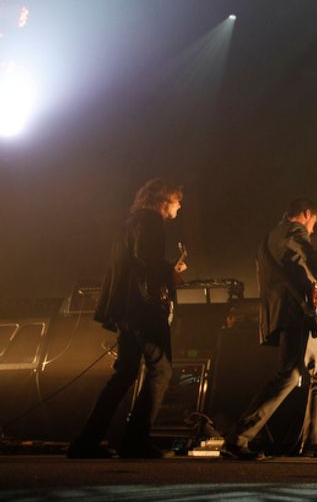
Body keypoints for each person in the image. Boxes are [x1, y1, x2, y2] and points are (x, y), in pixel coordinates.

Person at [69, 178, 187, 459]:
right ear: (164, 200)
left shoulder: (132, 222)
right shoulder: (151, 221)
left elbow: (135, 261)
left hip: (125, 309)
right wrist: (169, 273)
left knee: (125, 373)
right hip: (142, 309)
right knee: (161, 370)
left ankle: (87, 441)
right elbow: (146, 260)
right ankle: (135, 440)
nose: (180, 206)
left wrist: (166, 269)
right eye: (177, 201)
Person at [222, 198, 317, 460]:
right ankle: (237, 438)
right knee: (289, 375)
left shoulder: (271, 236)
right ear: (307, 213)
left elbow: (290, 268)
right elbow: (311, 256)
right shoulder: (294, 231)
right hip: (295, 314)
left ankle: (316, 441)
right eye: (314, 222)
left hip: (284, 312)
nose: (313, 229)